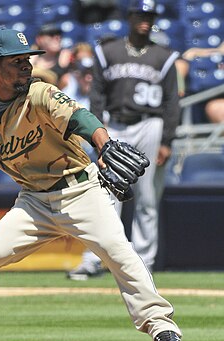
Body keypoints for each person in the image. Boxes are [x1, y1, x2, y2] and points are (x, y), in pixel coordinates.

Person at [0, 28, 184, 341]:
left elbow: (82, 118)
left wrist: (105, 144)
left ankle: (160, 325)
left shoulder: (40, 93)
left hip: (80, 190)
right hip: (33, 202)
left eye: (28, 59)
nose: (27, 66)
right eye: (17, 61)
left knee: (119, 252)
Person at [67, 0, 181, 280]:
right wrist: (96, 132)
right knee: (105, 195)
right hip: (114, 126)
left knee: (147, 198)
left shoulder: (163, 56)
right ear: (129, 16)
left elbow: (171, 102)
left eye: (150, 15)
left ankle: (143, 261)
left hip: (150, 125)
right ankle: (95, 258)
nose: (145, 19)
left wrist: (167, 139)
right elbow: (96, 95)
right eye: (140, 14)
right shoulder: (109, 51)